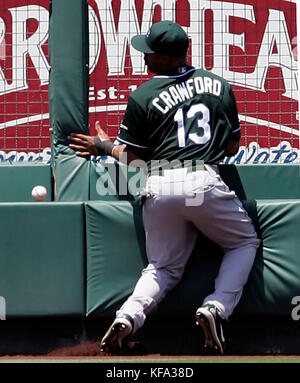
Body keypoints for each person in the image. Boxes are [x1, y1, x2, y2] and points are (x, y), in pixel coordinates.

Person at [69, 20, 260, 355]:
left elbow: (133, 159)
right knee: (244, 242)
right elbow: (231, 148)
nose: (145, 58)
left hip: (157, 182)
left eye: (152, 53)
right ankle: (215, 308)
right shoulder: (218, 84)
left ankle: (128, 315)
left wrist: (103, 146)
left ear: (170, 58)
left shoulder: (144, 95)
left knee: (161, 268)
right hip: (203, 180)